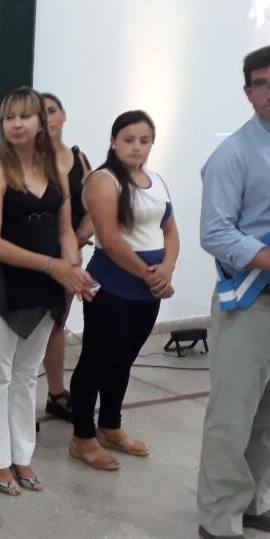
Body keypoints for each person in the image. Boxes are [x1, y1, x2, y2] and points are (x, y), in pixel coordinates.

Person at [198, 43, 270, 539]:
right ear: (248, 92)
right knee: (232, 417)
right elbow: (215, 233)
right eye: (261, 84)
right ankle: (218, 518)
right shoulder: (234, 154)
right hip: (254, 301)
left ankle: (253, 502)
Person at [0, 88, 93, 495]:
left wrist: (72, 268)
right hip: (2, 290)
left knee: (26, 376)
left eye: (25, 116)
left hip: (46, 290)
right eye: (9, 118)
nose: (16, 124)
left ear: (42, 122)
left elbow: (65, 230)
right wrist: (53, 266)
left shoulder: (54, 169)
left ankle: (21, 454)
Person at [68, 111, 178, 470]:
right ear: (114, 141)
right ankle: (82, 436)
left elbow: (170, 232)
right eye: (129, 139)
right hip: (113, 287)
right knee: (96, 360)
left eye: (144, 140)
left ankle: (110, 426)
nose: (136, 147)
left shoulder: (156, 180)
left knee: (124, 359)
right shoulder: (103, 181)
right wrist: (153, 277)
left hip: (147, 290)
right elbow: (111, 241)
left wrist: (167, 268)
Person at [39, 92, 94, 422]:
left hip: (69, 257)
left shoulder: (79, 159)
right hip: (36, 257)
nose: (47, 118)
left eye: (51, 110)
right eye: (40, 112)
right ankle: (15, 402)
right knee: (27, 329)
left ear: (64, 114)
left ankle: (56, 394)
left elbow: (94, 205)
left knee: (57, 323)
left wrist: (78, 239)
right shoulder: (25, 161)